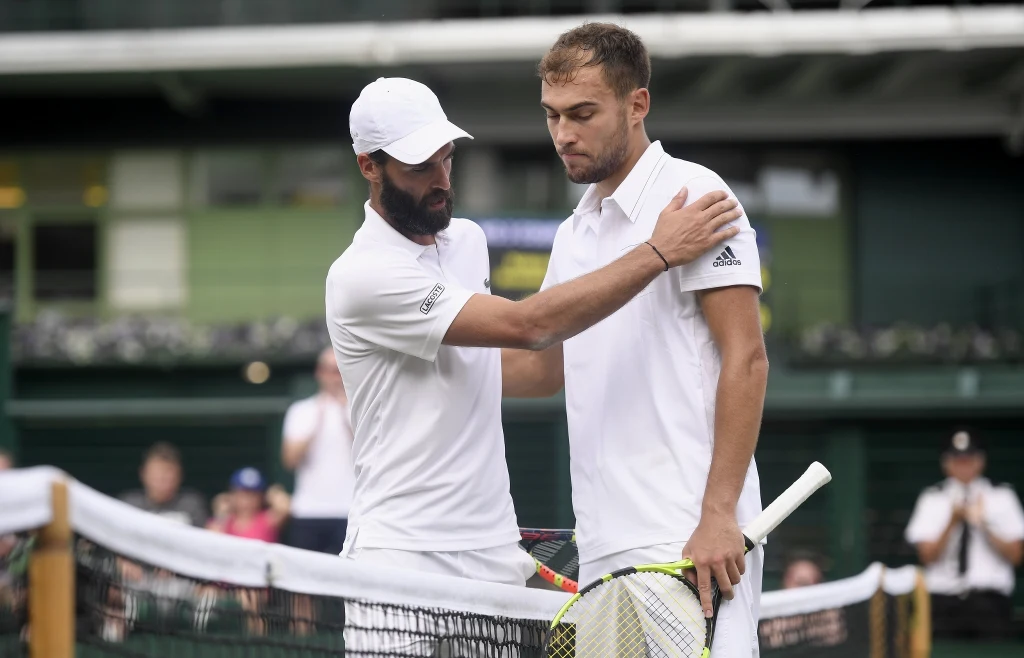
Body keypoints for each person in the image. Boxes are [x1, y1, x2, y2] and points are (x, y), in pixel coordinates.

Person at [326, 77, 740, 585]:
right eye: (419, 167)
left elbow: (535, 373)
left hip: (494, 553)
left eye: (446, 158)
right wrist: (656, 253)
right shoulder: (361, 275)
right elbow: (529, 326)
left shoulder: (468, 242)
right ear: (369, 166)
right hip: (399, 553)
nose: (440, 179)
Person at [502, 23, 767, 656]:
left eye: (583, 113)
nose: (563, 134)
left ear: (637, 104)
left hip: (691, 535)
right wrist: (420, 366)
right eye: (552, 115)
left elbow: (747, 357)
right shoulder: (572, 234)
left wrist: (719, 514)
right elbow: (544, 370)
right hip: (600, 547)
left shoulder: (698, 194)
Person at [905, 428, 1024, 640]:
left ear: (981, 462)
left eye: (969, 459)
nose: (964, 466)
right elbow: (927, 557)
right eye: (957, 460)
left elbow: (1016, 556)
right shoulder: (932, 498)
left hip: (990, 602)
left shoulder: (1002, 496)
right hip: (943, 601)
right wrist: (953, 520)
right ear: (946, 463)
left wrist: (984, 524)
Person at [281, 347, 355, 554]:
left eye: (339, 370)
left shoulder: (358, 410)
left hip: (349, 511)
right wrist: (316, 422)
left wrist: (345, 414)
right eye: (329, 370)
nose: (334, 377)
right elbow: (289, 460)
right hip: (308, 512)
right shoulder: (301, 411)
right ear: (319, 373)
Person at [119, 442, 208, 527]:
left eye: (168, 474)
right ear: (143, 474)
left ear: (179, 475)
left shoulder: (191, 504)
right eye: (157, 474)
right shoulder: (129, 505)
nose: (162, 480)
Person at [208, 467, 290, 543]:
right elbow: (212, 539)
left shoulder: (267, 520)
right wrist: (221, 514)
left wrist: (273, 493)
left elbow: (284, 507)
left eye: (253, 495)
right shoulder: (225, 520)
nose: (247, 500)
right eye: (242, 494)